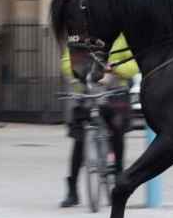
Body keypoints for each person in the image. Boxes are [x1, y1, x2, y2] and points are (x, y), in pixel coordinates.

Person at [58, 32, 138, 208]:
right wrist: (78, 76)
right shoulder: (81, 34)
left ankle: (118, 177)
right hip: (87, 91)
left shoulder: (122, 37)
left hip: (115, 91)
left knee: (117, 132)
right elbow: (67, 60)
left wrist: (114, 69)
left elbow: (134, 63)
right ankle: (72, 189)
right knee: (79, 140)